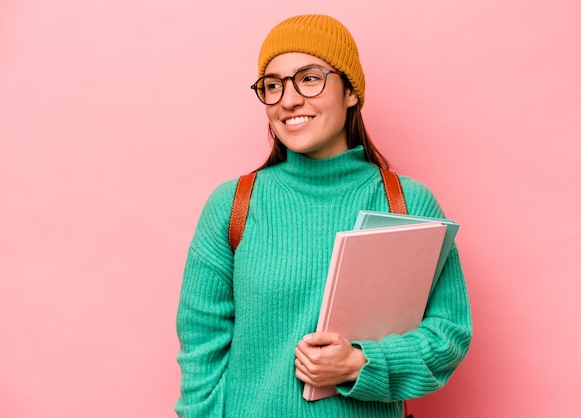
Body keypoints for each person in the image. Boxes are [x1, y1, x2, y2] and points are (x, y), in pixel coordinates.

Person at [175, 14, 472, 418]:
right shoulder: (232, 205)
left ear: (351, 92)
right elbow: (201, 347)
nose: (289, 99)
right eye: (273, 85)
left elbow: (448, 334)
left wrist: (360, 364)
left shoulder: (406, 203)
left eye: (310, 78)